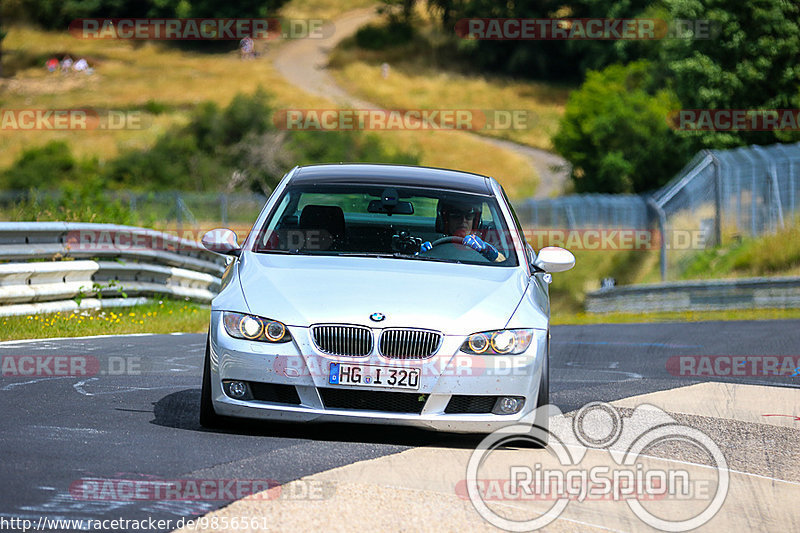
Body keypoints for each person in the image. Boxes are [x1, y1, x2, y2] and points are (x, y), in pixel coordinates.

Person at [419, 199, 506, 262]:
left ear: (475, 221)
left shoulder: (482, 247)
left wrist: (487, 250)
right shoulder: (430, 248)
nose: (463, 220)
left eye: (469, 215)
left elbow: (505, 263)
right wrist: (419, 255)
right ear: (446, 220)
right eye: (456, 215)